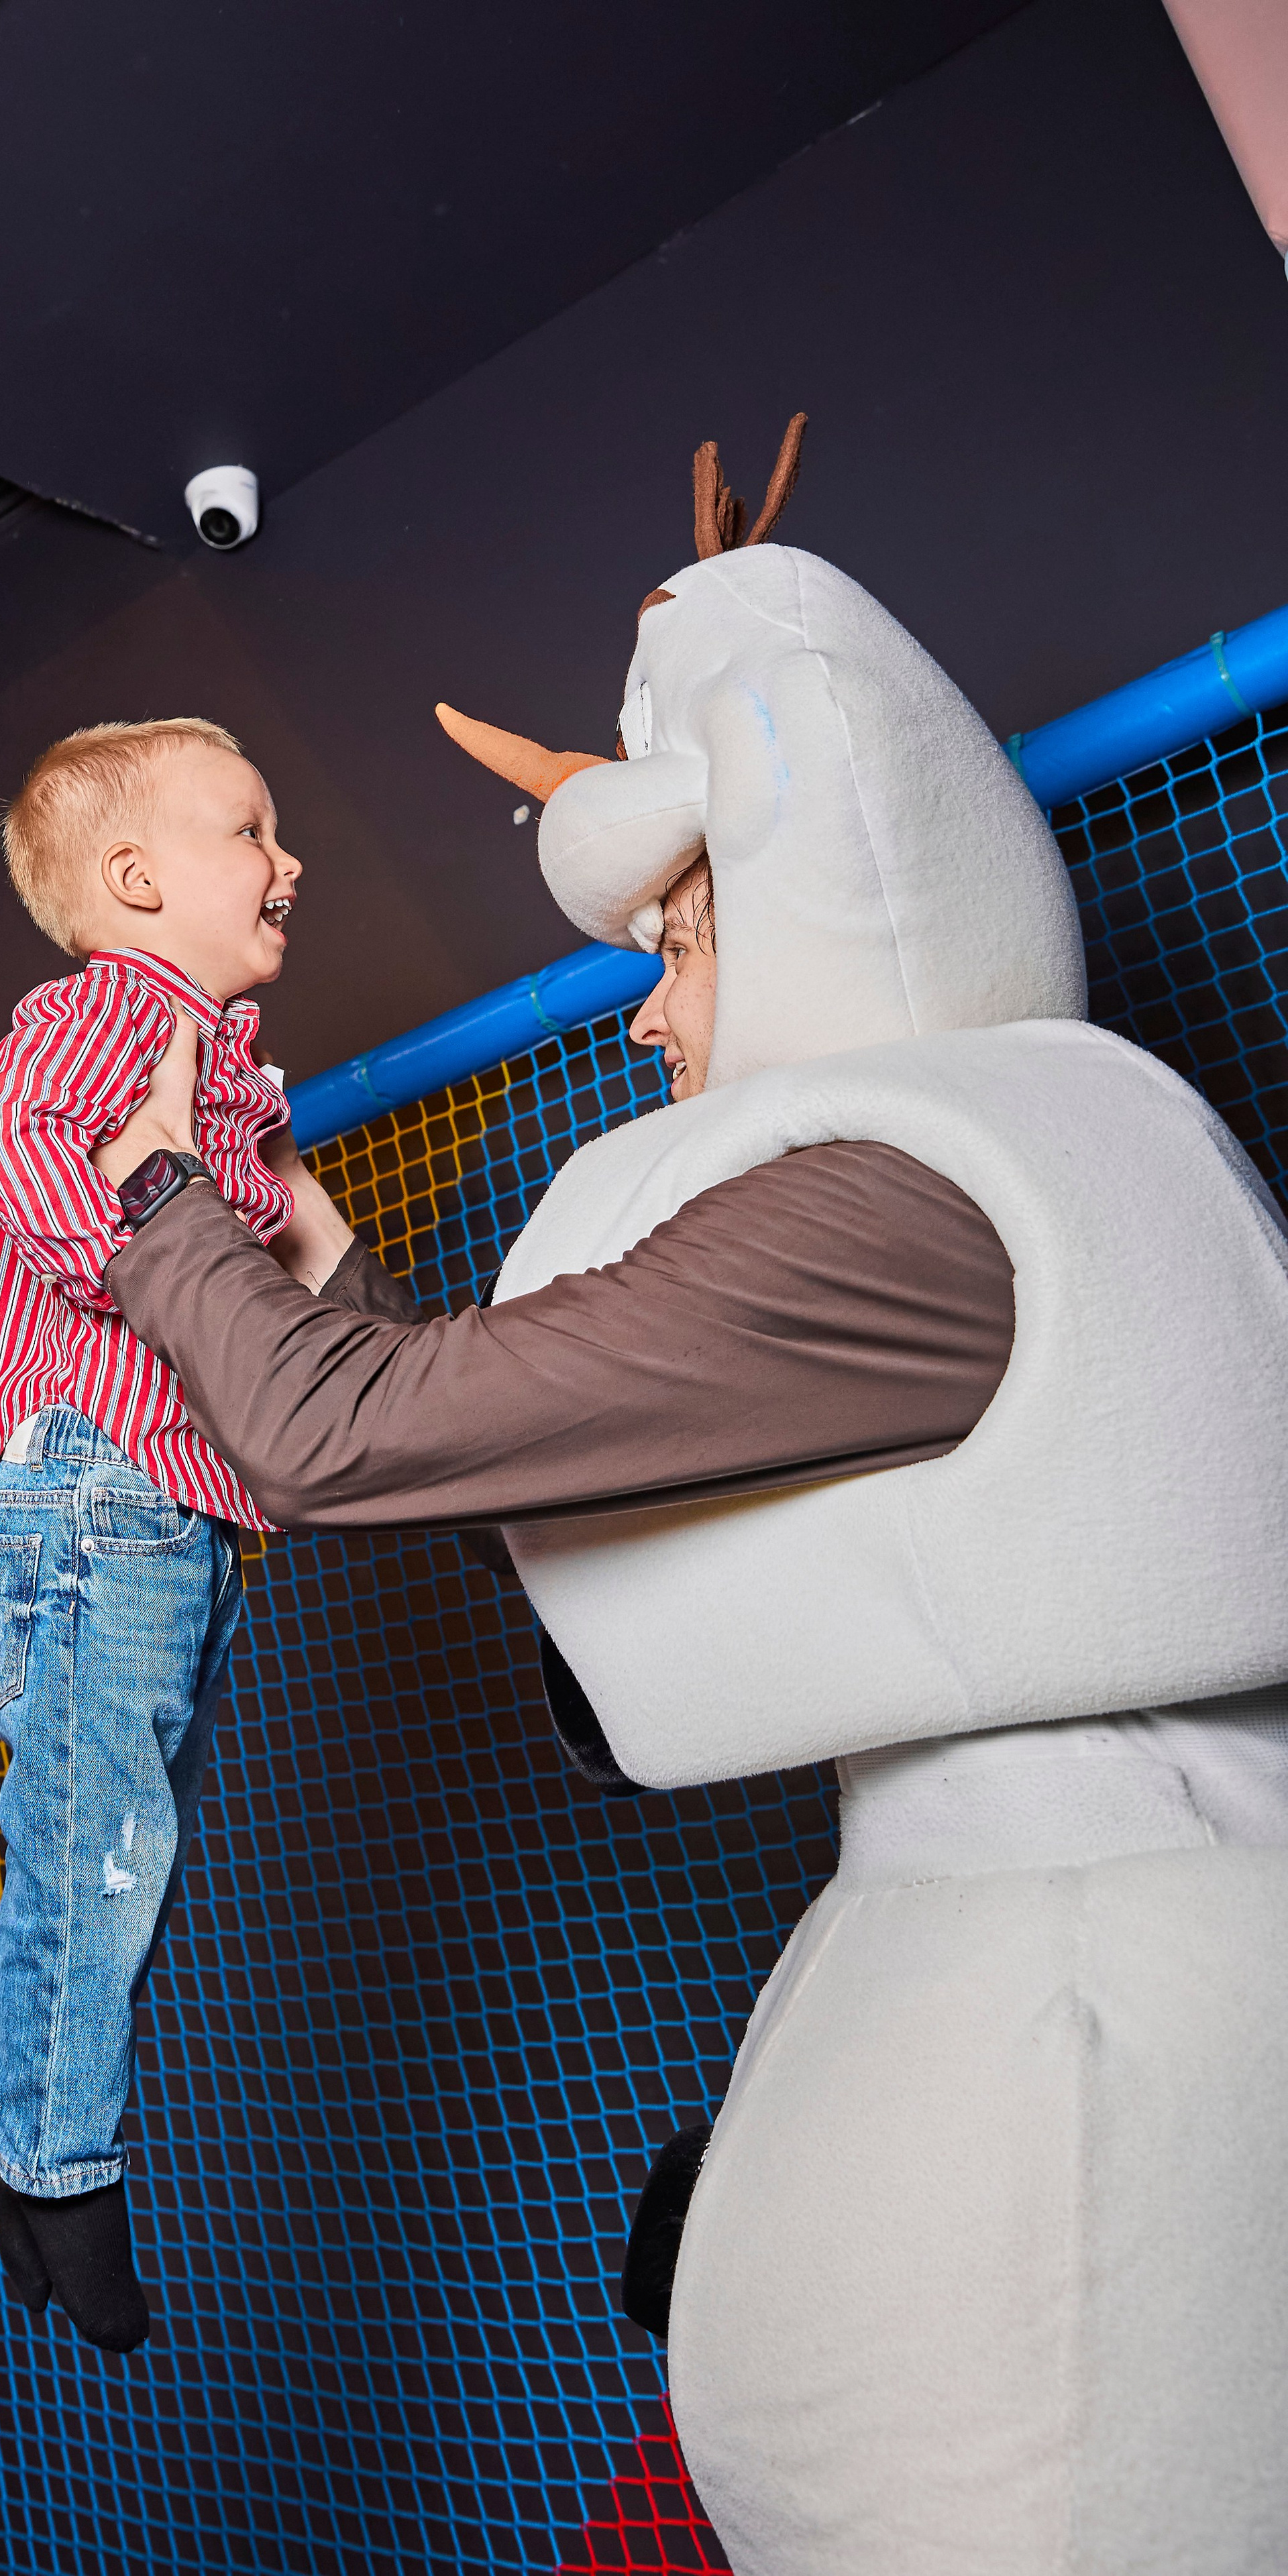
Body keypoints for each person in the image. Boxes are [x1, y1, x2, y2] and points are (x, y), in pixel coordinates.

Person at [86, 432, 1288, 2571]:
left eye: (680, 934)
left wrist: (160, 1202)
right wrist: (333, 1274)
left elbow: (338, 1439)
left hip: (1097, 2039)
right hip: (1073, 1928)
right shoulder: (1050, 1141)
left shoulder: (893, 1198)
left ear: (812, 897)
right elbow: (582, 1470)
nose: (649, 1007)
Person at [0, 716, 319, 2355]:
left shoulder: (227, 1068)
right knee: (102, 1850)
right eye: (248, 829)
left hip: (166, 1512)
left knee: (115, 1851)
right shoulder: (118, 1008)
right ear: (134, 881)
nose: (285, 859)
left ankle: (11, 2114)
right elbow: (2, 1135)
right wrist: (135, 1244)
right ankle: (55, 2154)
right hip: (102, 1490)